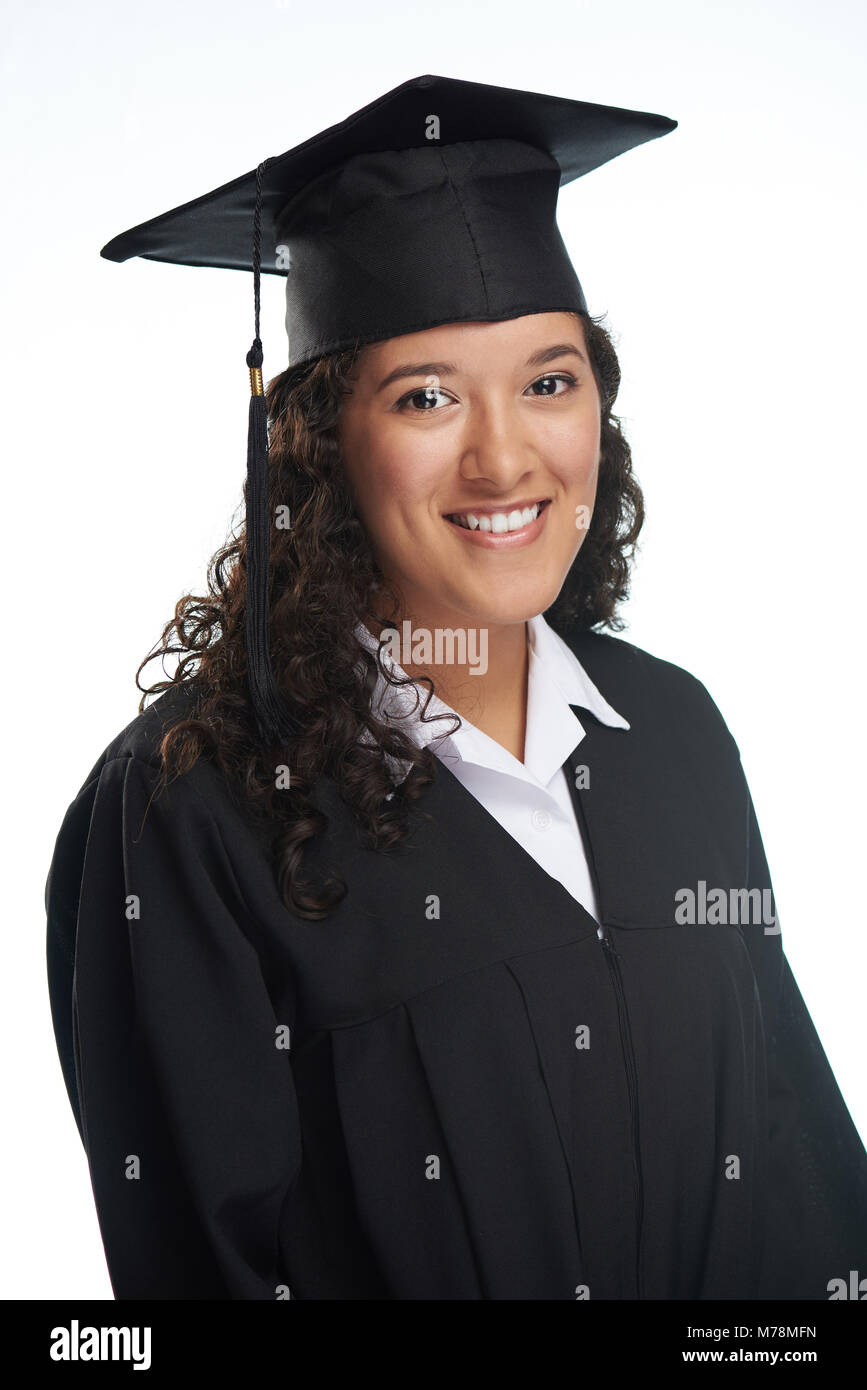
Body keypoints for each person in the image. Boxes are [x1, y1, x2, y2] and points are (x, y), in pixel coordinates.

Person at [45, 73, 867, 1300]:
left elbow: (804, 1185)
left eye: (550, 379)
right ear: (315, 439)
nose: (503, 456)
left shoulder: (674, 733)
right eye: (426, 396)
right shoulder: (196, 815)